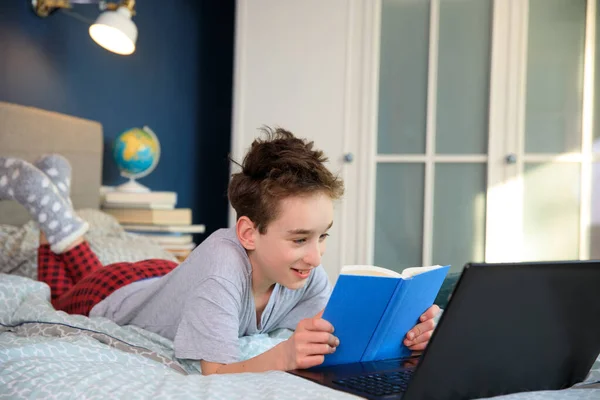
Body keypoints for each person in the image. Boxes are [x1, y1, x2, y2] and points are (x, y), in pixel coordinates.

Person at [0, 127, 439, 375]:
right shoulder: (222, 267)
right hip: (117, 292)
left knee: (87, 268)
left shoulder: (303, 275)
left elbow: (335, 334)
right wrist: (284, 355)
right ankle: (50, 212)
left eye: (322, 236)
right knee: (59, 295)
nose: (316, 257)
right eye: (299, 239)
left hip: (162, 272)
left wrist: (409, 332)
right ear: (249, 233)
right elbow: (214, 373)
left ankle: (51, 195)